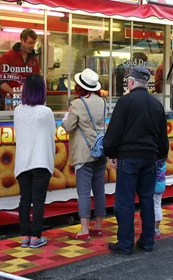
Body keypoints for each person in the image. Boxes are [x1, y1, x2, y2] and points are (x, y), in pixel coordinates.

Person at [104, 66, 169, 255]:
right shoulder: (156, 105)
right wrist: (159, 156)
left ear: (131, 82)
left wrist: (111, 153)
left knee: (125, 201)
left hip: (129, 157)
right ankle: (147, 240)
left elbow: (114, 132)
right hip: (150, 158)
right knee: (147, 199)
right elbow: (163, 138)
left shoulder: (125, 102)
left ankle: (125, 244)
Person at [61, 68, 107, 240]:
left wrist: (65, 119)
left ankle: (85, 229)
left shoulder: (78, 104)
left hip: (84, 152)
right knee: (99, 191)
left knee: (84, 192)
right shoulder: (102, 102)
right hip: (101, 150)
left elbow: (69, 126)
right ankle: (98, 226)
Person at [13, 74, 54, 249]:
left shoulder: (17, 110)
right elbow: (51, 135)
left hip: (22, 162)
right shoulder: (46, 112)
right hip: (41, 161)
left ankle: (24, 236)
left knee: (24, 200)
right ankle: (36, 237)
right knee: (38, 201)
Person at [0, 29, 41, 105]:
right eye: (30, 43)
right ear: (22, 40)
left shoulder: (34, 60)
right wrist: (14, 93)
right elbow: (0, 82)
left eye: (34, 43)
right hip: (9, 102)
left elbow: (36, 82)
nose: (32, 46)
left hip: (28, 102)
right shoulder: (7, 57)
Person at [154, 159, 166, 240]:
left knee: (155, 207)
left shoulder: (157, 160)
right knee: (157, 206)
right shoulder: (163, 158)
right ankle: (156, 229)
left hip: (155, 184)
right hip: (161, 183)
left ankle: (155, 230)